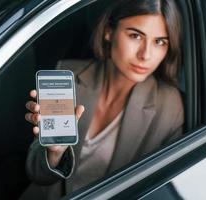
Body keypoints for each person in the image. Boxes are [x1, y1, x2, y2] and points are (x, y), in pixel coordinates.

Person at [23, 0, 184, 199]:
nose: (146, 55)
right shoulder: (68, 74)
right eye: (135, 36)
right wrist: (54, 152)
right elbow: (37, 175)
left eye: (160, 41)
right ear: (109, 31)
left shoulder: (169, 107)